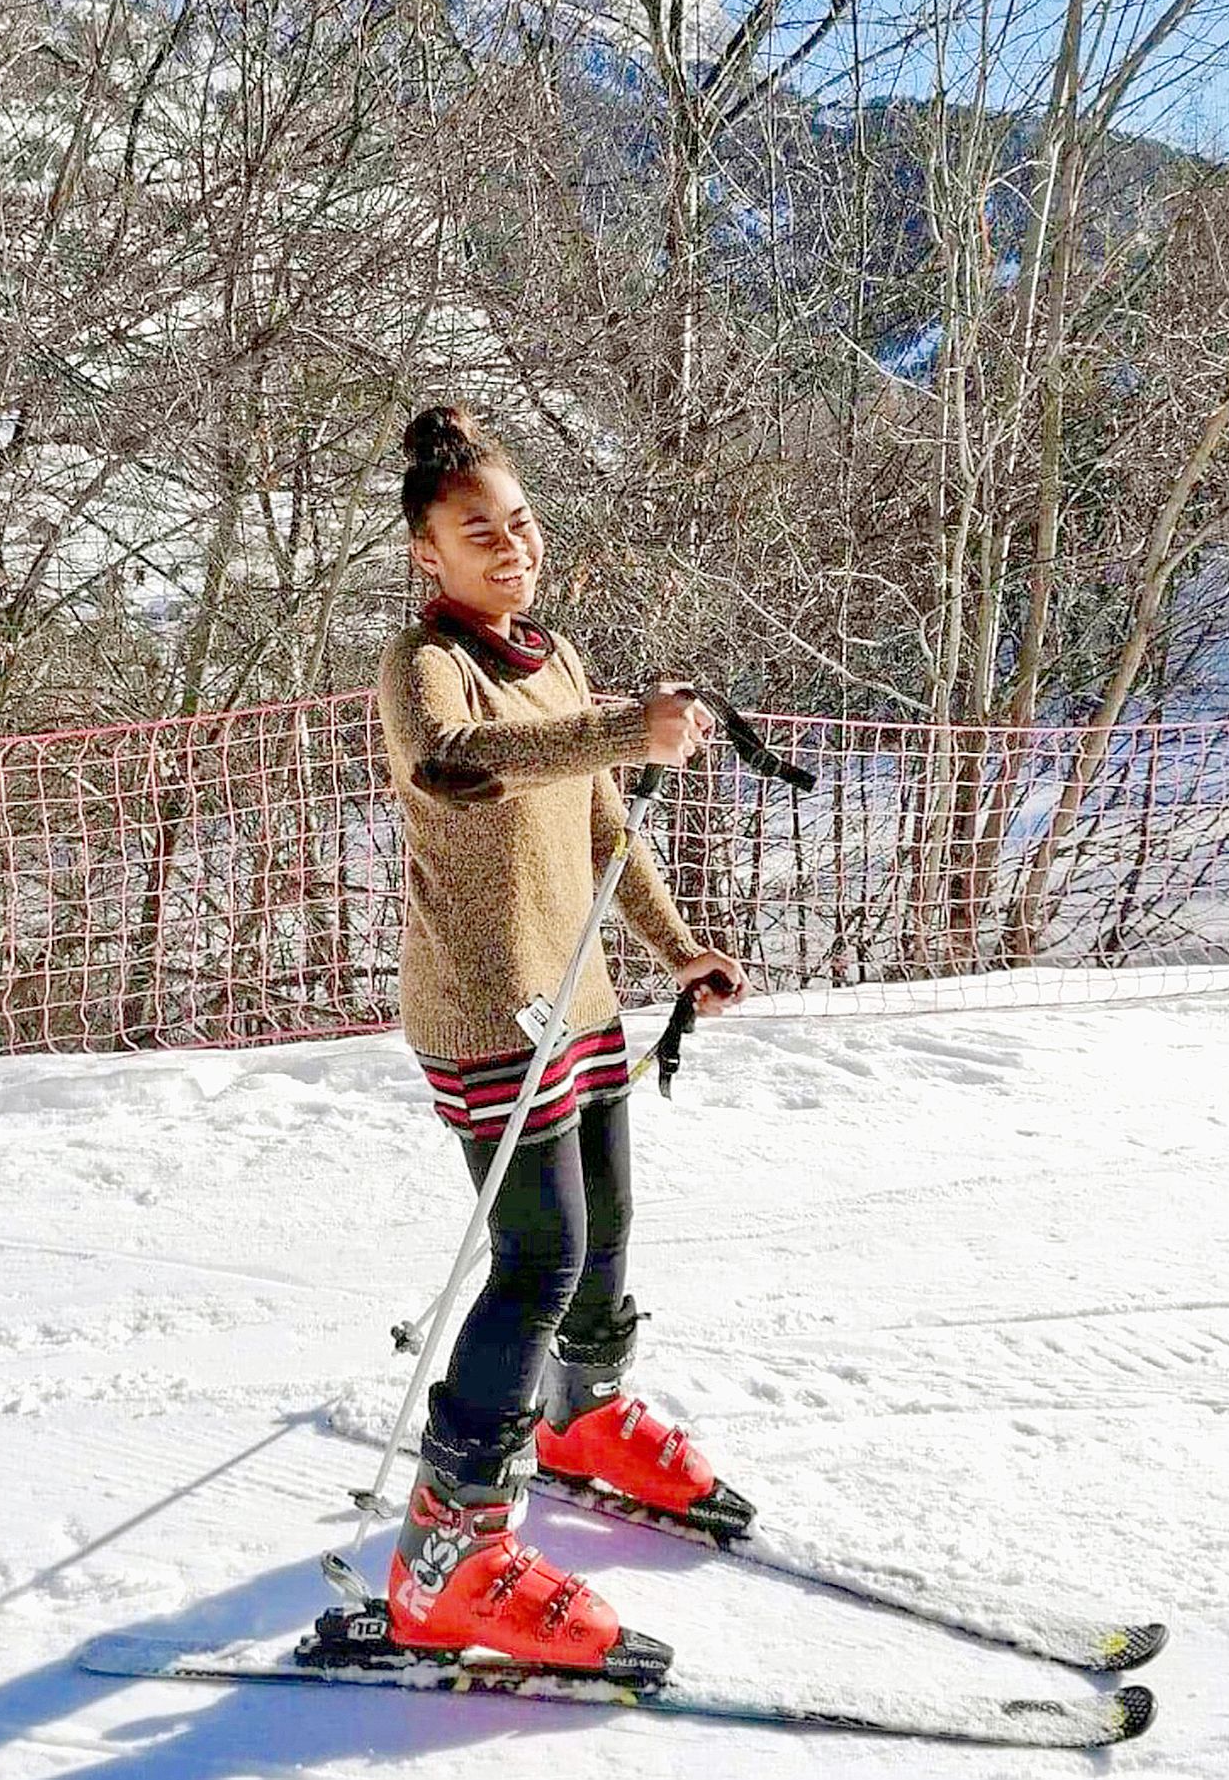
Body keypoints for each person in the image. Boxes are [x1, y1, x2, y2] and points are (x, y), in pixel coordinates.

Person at [375, 402, 752, 1675]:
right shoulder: (426, 663)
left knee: (611, 1224)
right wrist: (623, 729)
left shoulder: (558, 653)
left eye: (520, 521)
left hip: (579, 994)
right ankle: (447, 1549)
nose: (508, 544)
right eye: (477, 530)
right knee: (539, 1257)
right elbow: (458, 761)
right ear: (431, 553)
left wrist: (678, 946)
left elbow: (601, 826)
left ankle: (583, 1420)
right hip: (486, 1004)